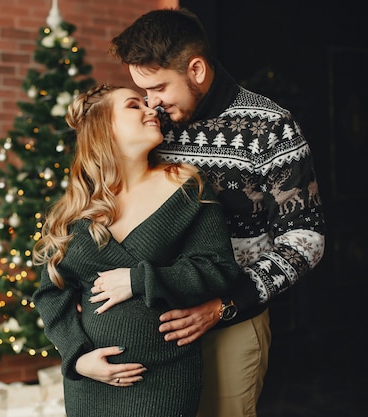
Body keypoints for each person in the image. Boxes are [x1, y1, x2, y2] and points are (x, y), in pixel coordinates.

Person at [100, 8, 326, 417]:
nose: (152, 103)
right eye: (142, 93)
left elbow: (305, 241)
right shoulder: (153, 125)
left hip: (231, 321)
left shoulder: (272, 127)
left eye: (158, 88)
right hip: (152, 321)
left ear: (197, 69)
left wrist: (224, 304)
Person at [32, 84, 240, 417]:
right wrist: (78, 358)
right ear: (104, 127)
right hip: (92, 386)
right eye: (133, 106)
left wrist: (138, 280)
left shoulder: (186, 186)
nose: (151, 110)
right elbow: (50, 294)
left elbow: (219, 269)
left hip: (165, 377)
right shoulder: (76, 209)